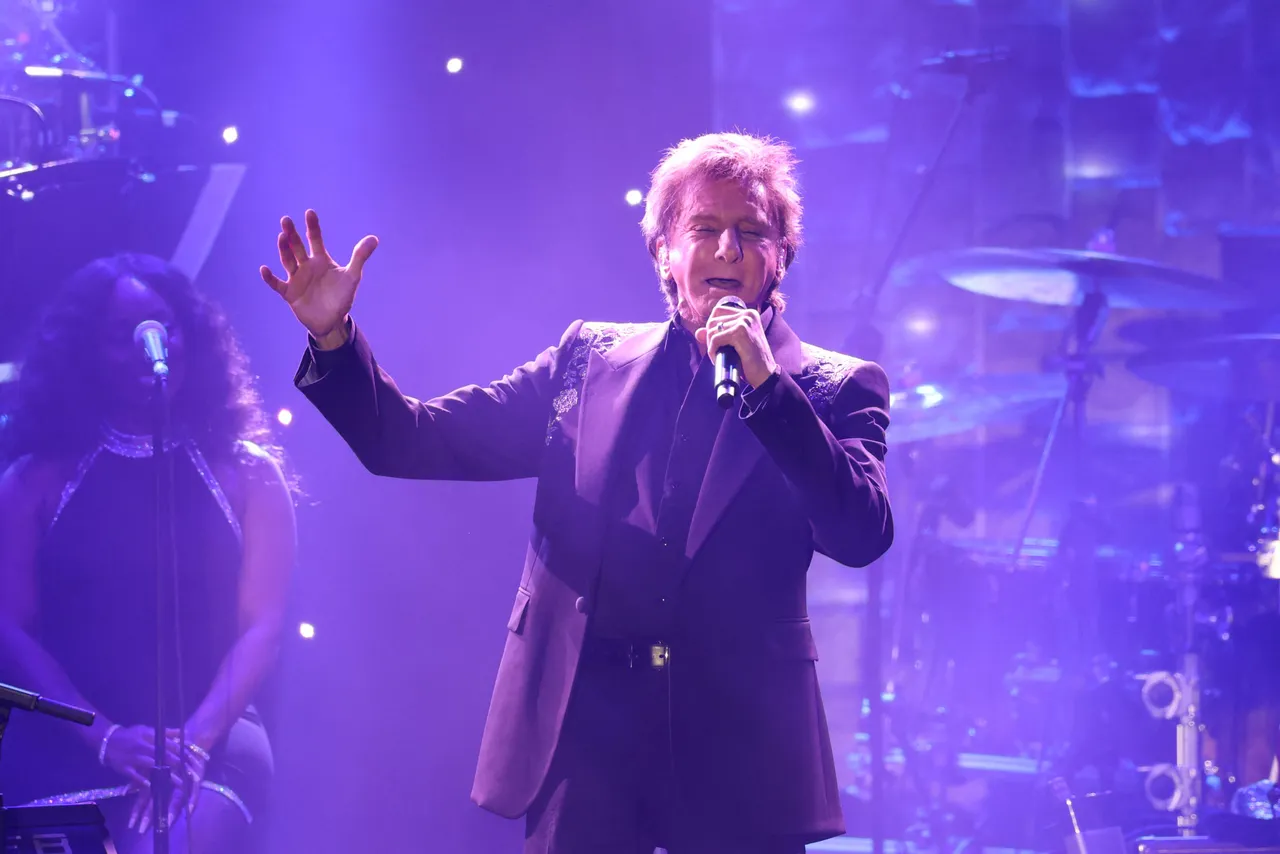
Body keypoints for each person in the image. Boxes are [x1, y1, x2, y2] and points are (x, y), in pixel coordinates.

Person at [265, 131, 892, 853]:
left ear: (782, 255)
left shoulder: (835, 387)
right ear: (663, 249)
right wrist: (335, 341)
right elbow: (408, 440)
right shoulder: (586, 362)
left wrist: (770, 396)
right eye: (705, 228)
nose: (728, 250)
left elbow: (860, 533)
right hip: (585, 739)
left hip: (739, 752)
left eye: (752, 232)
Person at [0, 254, 294, 854]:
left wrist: (194, 742)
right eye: (121, 336)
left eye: (164, 326)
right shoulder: (36, 480)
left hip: (209, 732)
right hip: (69, 736)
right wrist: (102, 737)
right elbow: (10, 625)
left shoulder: (248, 474)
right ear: (85, 355)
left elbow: (262, 624)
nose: (151, 347)